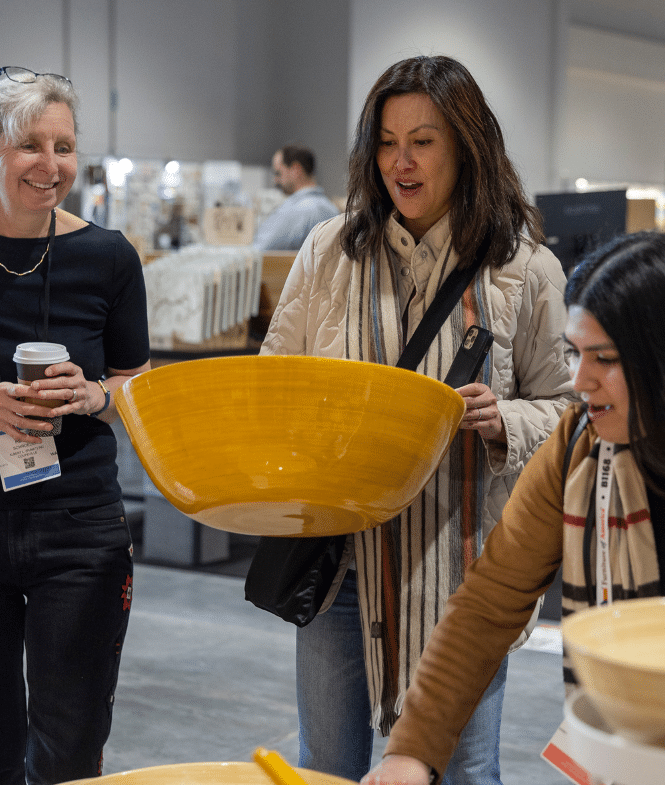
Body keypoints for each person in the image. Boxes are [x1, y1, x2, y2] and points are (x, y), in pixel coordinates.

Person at [258, 55, 574, 784]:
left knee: (466, 770)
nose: (401, 161)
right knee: (327, 768)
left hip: (462, 573)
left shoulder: (523, 269)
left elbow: (568, 411)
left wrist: (504, 420)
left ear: (465, 146)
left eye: (423, 141)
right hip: (337, 565)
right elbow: (276, 385)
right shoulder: (329, 253)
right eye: (388, 141)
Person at [362, 230, 665, 785]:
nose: (579, 380)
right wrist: (410, 750)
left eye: (604, 359)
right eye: (573, 353)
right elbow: (490, 602)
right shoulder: (579, 446)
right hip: (626, 753)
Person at [0, 66, 151, 783]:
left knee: (71, 752)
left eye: (64, 146)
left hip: (79, 528)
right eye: (31, 144)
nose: (51, 165)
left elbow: (133, 380)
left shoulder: (109, 257)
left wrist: (93, 396)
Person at [253, 144, 340, 251]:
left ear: (296, 170)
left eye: (278, 173)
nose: (276, 180)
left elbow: (259, 251)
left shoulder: (298, 211)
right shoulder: (331, 209)